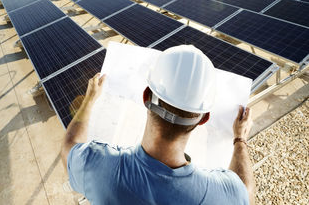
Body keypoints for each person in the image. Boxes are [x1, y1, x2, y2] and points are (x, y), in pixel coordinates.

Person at [61, 45, 255, 205]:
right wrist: (240, 140)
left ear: (146, 97)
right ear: (203, 119)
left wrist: (89, 100)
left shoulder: (97, 165)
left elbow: (69, 146)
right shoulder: (219, 194)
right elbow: (245, 193)